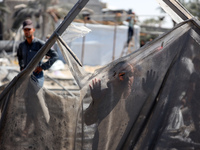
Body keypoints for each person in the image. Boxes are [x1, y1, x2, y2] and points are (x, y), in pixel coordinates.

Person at [84, 61, 135, 150]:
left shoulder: (136, 97)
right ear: (112, 76)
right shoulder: (104, 95)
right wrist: (96, 102)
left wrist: (150, 95)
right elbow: (88, 121)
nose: (127, 78)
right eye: (122, 74)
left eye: (130, 74)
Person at [17, 19, 58, 87]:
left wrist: (42, 67)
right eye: (25, 30)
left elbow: (55, 55)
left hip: (37, 76)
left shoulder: (39, 44)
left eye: (29, 29)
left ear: (33, 30)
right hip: (25, 77)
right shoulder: (22, 45)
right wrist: (22, 67)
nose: (27, 31)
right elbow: (19, 56)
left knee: (36, 95)